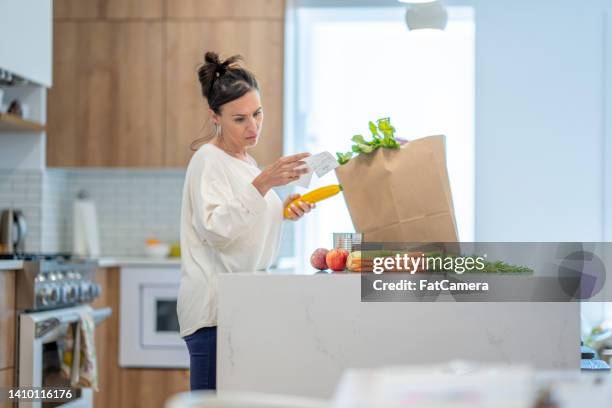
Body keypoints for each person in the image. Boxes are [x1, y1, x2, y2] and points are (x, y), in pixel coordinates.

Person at [177, 51, 314, 391]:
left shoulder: (246, 163)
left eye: (257, 113)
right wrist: (265, 183)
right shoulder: (209, 159)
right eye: (240, 119)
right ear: (216, 117)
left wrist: (283, 210)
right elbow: (216, 229)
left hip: (241, 307)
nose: (253, 127)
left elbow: (244, 220)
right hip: (214, 314)